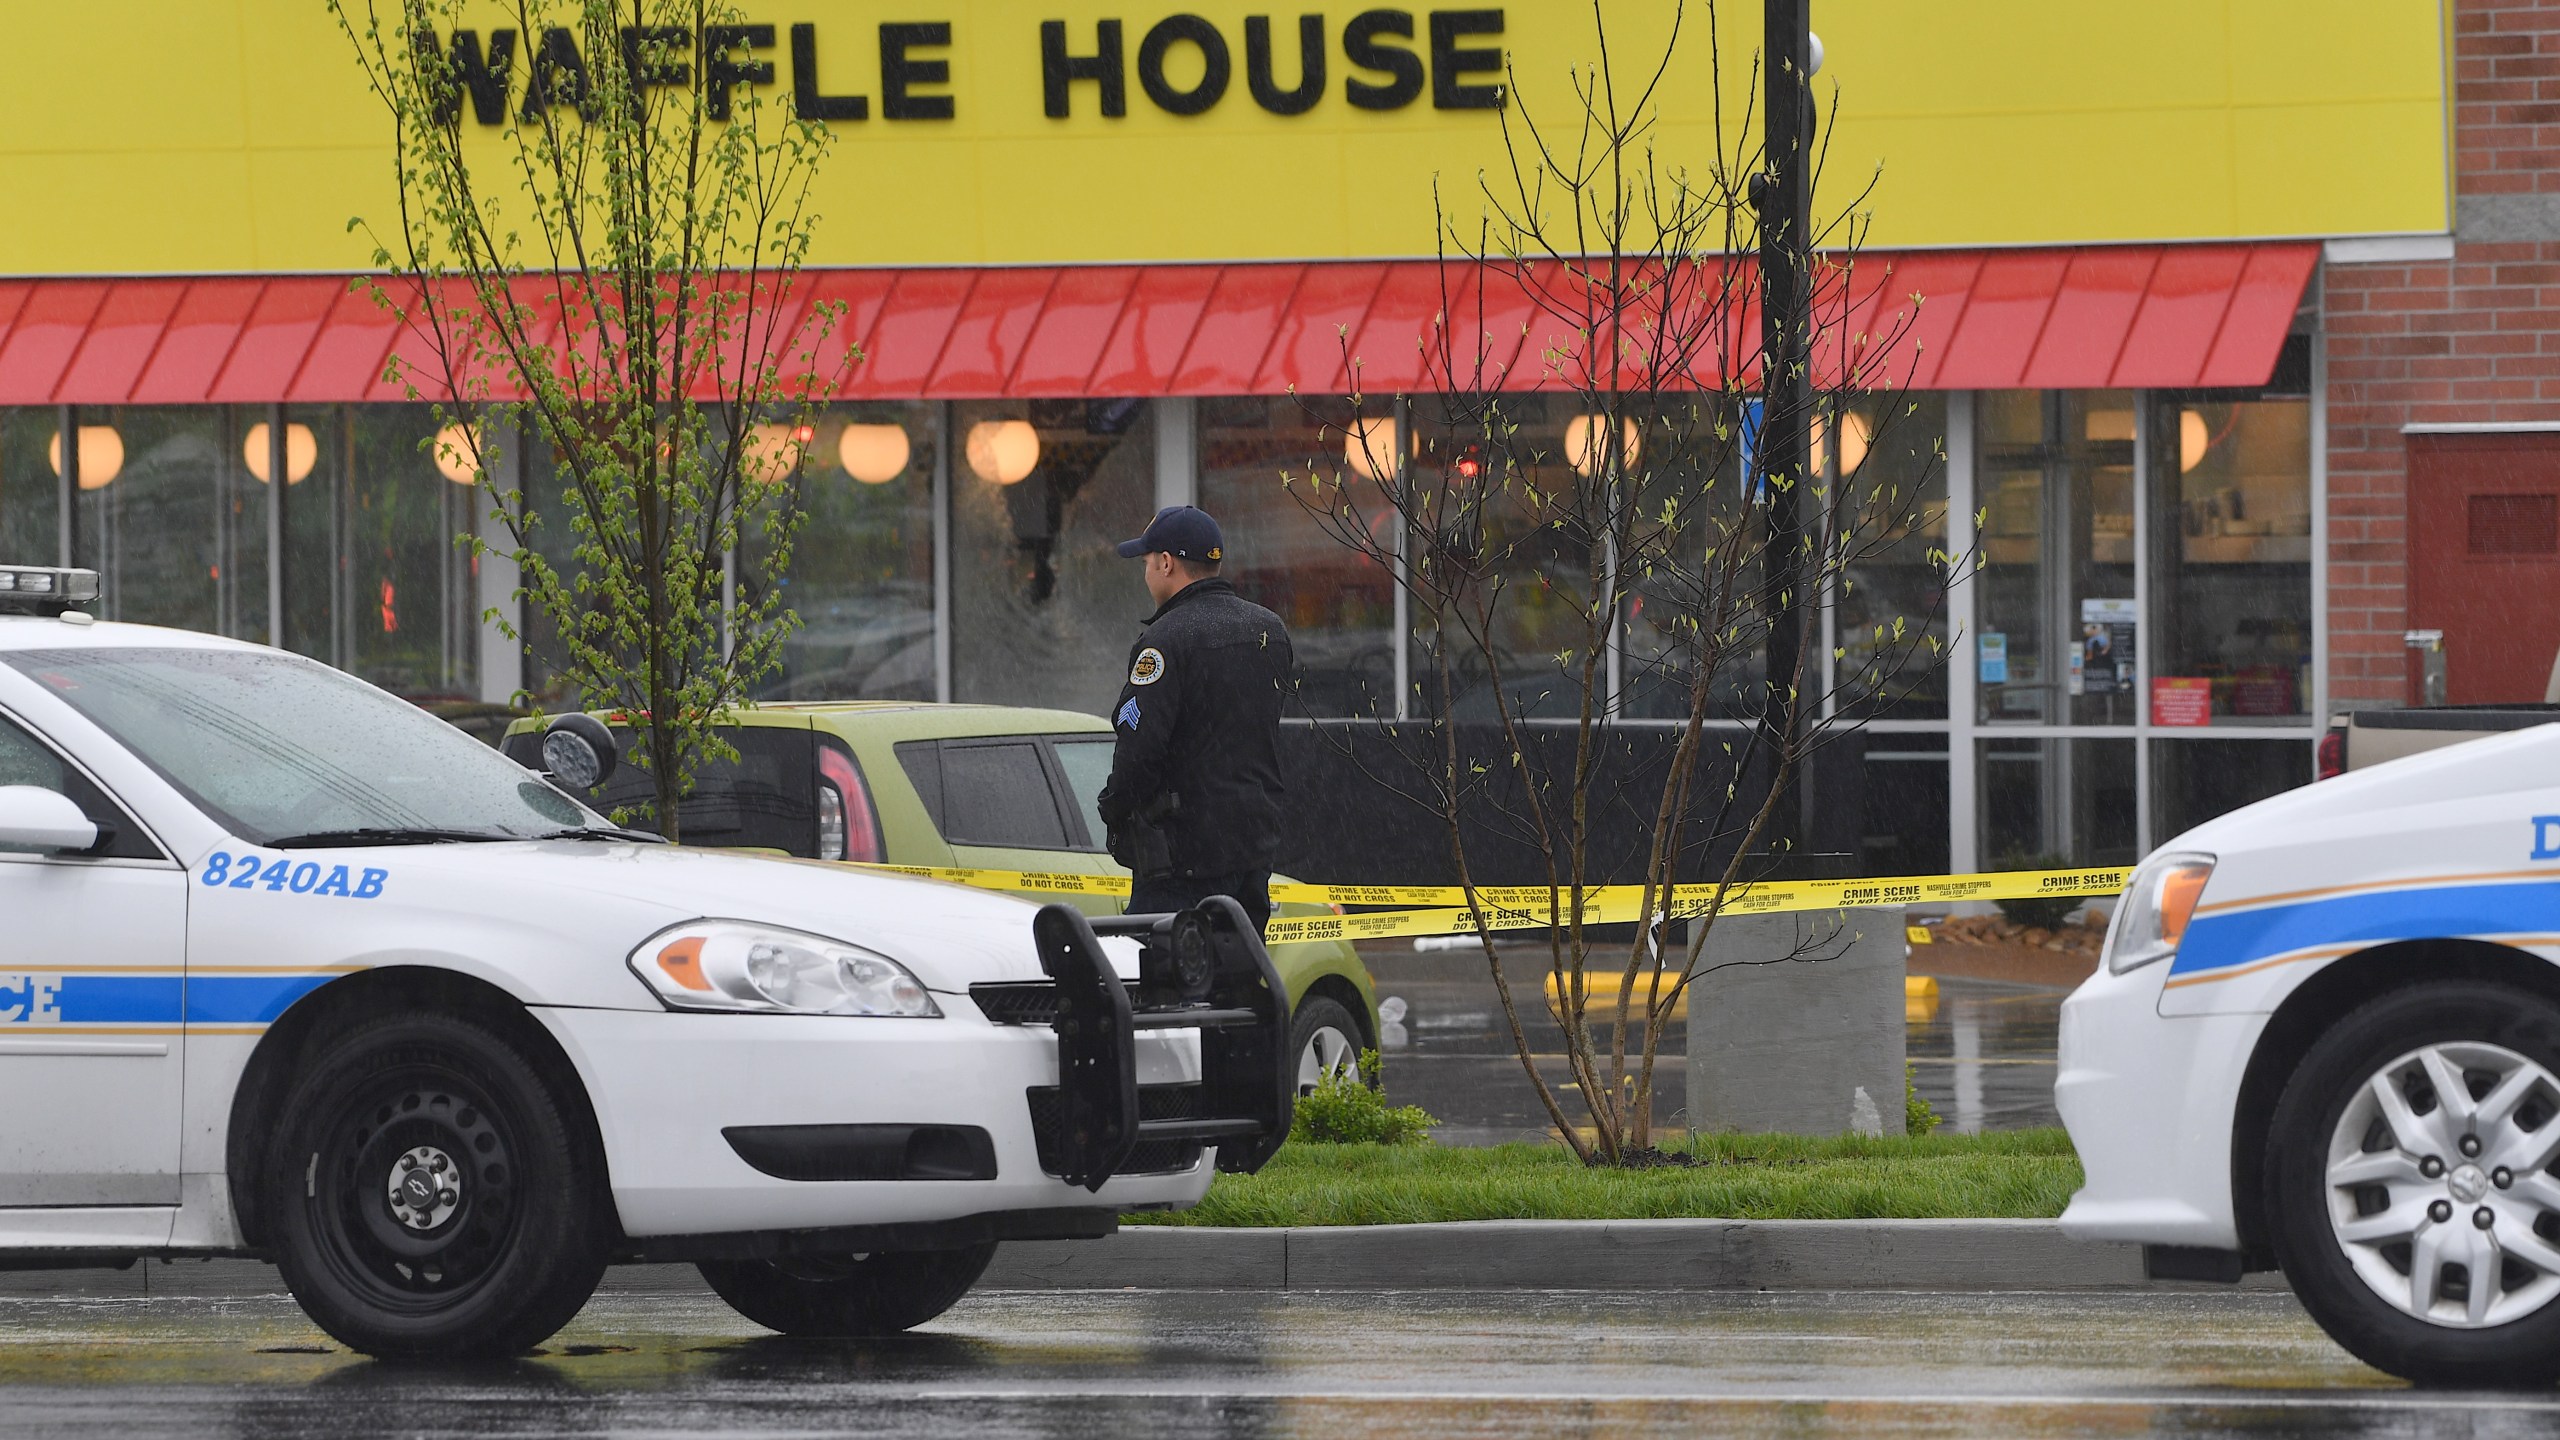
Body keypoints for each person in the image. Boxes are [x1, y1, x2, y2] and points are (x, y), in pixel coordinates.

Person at [1097, 505, 1293, 932]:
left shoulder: (1166, 640)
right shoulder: (1269, 630)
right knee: (1239, 980)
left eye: (1147, 562)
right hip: (1252, 850)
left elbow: (1140, 751)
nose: (1146, 572)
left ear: (1166, 562)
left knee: (1163, 985)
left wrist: (1113, 808)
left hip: (1180, 861)